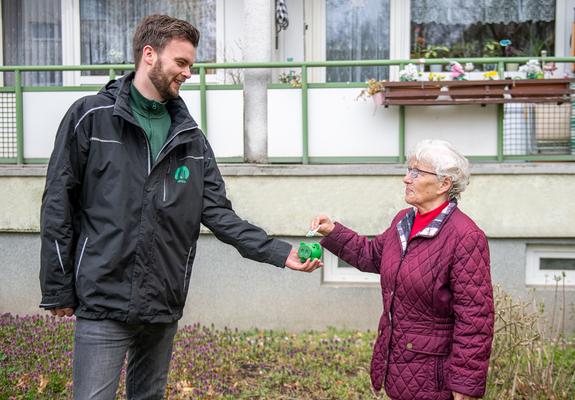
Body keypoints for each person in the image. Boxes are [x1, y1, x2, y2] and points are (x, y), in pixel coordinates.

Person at [39, 14, 321, 400]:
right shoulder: (91, 117)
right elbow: (58, 204)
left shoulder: (190, 138)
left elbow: (219, 214)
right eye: (182, 63)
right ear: (149, 55)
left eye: (191, 64)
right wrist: (58, 289)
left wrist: (279, 252)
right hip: (102, 298)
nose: (188, 73)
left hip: (162, 302)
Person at [310, 140, 494, 400]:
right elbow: (372, 255)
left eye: (417, 173)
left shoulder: (465, 236)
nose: (406, 179)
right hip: (398, 364)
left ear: (444, 184)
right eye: (409, 170)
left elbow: (475, 317)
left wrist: (464, 382)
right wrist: (333, 232)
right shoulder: (404, 220)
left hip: (435, 377)